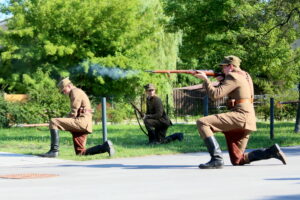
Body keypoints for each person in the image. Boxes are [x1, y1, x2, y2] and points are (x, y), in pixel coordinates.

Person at [193, 55, 287, 169]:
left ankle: (216, 159)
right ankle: (271, 152)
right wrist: (222, 81)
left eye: (224, 67)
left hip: (240, 116)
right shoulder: (245, 75)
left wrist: (206, 80)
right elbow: (235, 90)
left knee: (202, 122)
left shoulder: (232, 76)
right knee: (238, 160)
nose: (222, 70)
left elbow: (215, 95)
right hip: (248, 119)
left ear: (231, 66)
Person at [39, 77, 115, 158]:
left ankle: (54, 151)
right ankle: (105, 147)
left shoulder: (75, 91)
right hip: (84, 123)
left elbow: (73, 112)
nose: (63, 92)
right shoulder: (77, 92)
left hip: (81, 122)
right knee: (80, 152)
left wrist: (62, 122)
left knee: (54, 121)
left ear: (69, 86)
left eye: (64, 90)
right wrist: (64, 122)